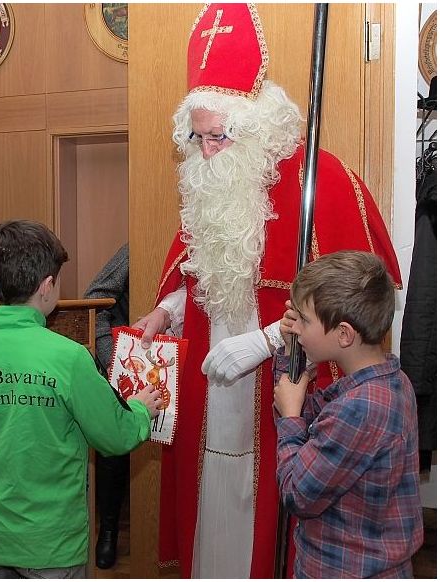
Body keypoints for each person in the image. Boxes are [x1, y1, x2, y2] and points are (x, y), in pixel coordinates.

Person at [133, 4, 403, 577]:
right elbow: (193, 273)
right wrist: (167, 311)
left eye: (218, 136)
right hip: (209, 395)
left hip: (273, 391)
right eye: (197, 137)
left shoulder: (321, 182)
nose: (207, 152)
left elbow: (356, 305)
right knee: (211, 504)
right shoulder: (209, 183)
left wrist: (262, 341)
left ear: (255, 125)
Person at [0, 220, 161, 579]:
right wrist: (141, 410)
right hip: (52, 545)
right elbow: (115, 436)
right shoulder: (69, 357)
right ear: (47, 286)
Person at [273, 250, 423, 577]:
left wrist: (290, 419)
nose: (297, 327)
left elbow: (297, 493)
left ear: (343, 334)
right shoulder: (390, 381)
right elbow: (313, 422)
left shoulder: (360, 407)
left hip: (344, 569)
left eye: (305, 320)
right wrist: (290, 355)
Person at [82, 243, 130, 569]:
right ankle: (108, 531)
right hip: (128, 363)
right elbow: (95, 299)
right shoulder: (134, 249)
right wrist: (111, 357)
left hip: (184, 367)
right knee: (113, 443)